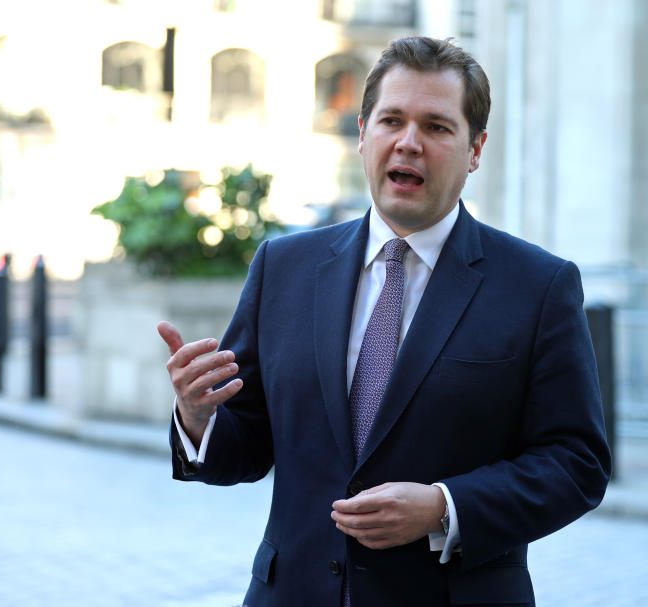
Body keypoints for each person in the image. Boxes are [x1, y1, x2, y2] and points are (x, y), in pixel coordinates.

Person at [158, 36, 611, 607]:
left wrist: (445, 508)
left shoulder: (537, 286)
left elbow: (577, 464)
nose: (409, 143)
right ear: (362, 133)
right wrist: (198, 417)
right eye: (391, 120)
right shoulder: (284, 267)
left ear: (476, 149)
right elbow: (246, 448)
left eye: (438, 127)